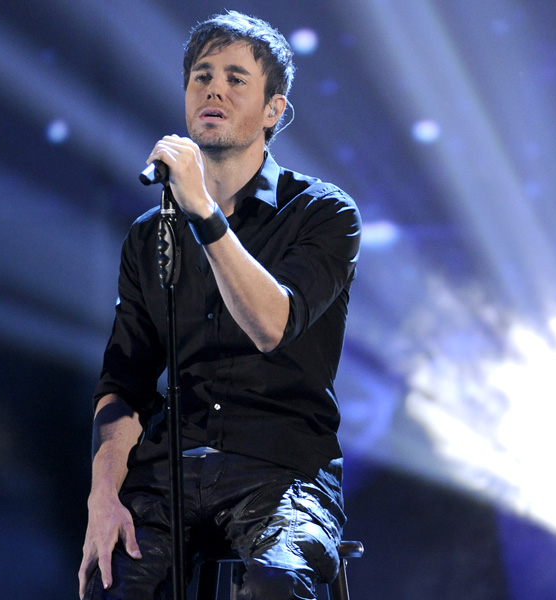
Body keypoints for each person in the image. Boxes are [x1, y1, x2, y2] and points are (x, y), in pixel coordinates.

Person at [78, 10, 361, 600]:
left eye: (236, 79)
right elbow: (123, 384)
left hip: (283, 469)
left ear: (273, 110)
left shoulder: (322, 214)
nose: (213, 89)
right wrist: (102, 497)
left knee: (275, 584)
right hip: (169, 469)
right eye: (202, 76)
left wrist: (204, 213)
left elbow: (271, 324)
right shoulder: (149, 235)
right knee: (110, 582)